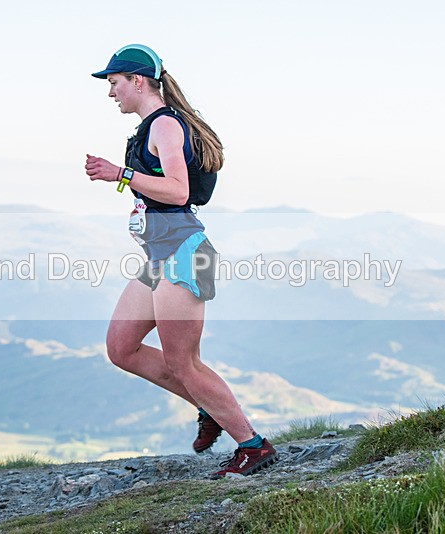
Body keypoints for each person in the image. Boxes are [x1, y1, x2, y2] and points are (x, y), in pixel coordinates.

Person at [85, 44, 277, 478]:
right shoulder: (149, 128)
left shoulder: (166, 125)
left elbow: (179, 191)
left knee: (183, 362)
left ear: (137, 81)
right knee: (121, 348)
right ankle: (207, 406)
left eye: (114, 83)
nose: (111, 93)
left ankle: (253, 447)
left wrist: (120, 174)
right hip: (159, 257)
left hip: (184, 255)